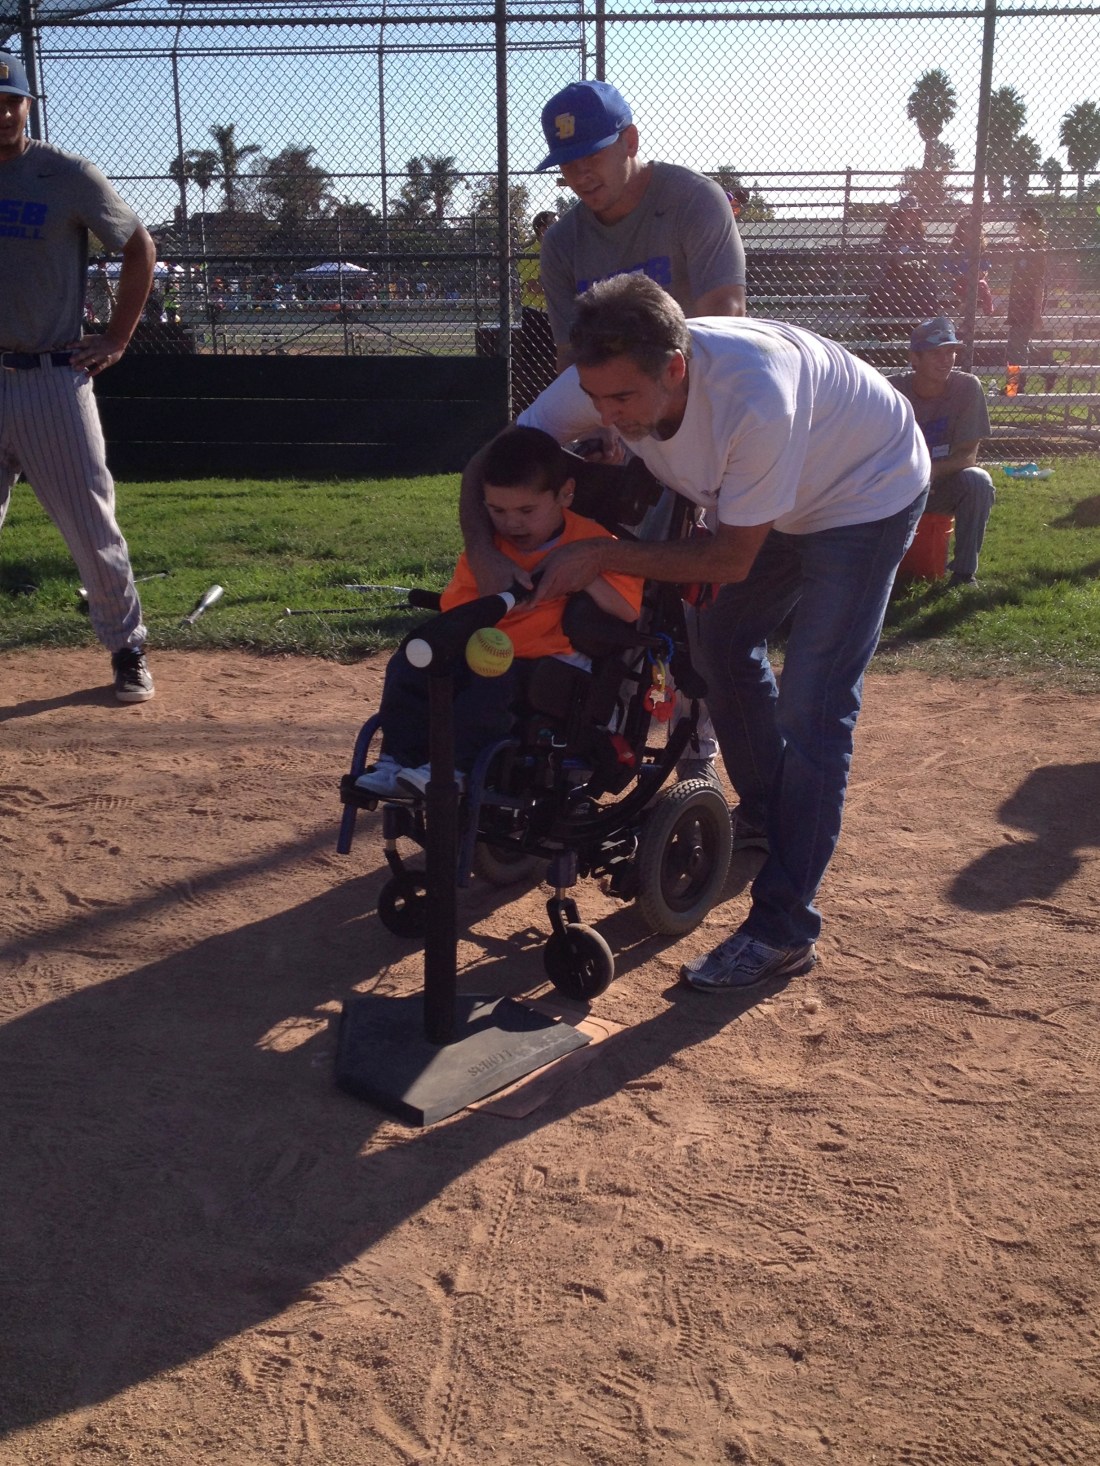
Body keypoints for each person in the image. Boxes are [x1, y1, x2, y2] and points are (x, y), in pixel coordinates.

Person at [460, 274, 930, 991]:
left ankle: (783, 929)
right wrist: (488, 552)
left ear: (675, 368)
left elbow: (730, 556)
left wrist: (602, 554)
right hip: (766, 499)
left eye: (622, 400)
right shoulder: (602, 380)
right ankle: (770, 815)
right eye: (596, 398)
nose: (605, 414)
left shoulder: (753, 398)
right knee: (715, 649)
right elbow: (488, 462)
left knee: (815, 707)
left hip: (863, 495)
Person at [356, 426, 643, 799]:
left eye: (526, 510)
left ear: (565, 494)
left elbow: (627, 611)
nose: (512, 523)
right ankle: (397, 761)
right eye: (497, 510)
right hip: (484, 649)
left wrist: (584, 577)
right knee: (408, 666)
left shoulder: (596, 545)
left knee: (490, 682)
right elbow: (456, 610)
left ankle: (455, 769)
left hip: (549, 660)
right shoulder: (488, 551)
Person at [0, 51, 157, 702]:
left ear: (26, 104)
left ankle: (127, 649)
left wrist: (118, 337)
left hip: (50, 377)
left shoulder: (62, 174)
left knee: (90, 527)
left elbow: (138, 245)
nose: (2, 112)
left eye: (10, 99)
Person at [534, 80, 746, 374]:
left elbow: (727, 322)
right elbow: (571, 358)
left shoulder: (693, 199)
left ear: (630, 141)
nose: (581, 176)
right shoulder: (560, 243)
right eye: (568, 163)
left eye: (592, 155)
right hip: (614, 407)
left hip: (702, 386)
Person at [888, 317, 994, 588]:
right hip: (895, 484)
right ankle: (873, 571)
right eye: (936, 352)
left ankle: (963, 574)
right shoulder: (892, 390)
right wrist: (908, 478)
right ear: (915, 357)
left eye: (951, 351)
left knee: (978, 480)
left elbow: (967, 455)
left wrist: (930, 473)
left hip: (942, 482)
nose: (946, 359)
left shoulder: (967, 387)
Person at [515, 210, 559, 412]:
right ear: (543, 229)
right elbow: (533, 287)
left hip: (556, 312)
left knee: (557, 361)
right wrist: (558, 280)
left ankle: (557, 406)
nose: (558, 226)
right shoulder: (528, 253)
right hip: (535, 314)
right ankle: (534, 407)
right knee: (534, 363)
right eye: (553, 223)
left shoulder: (561, 251)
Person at [1005, 206, 1048, 385]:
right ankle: (1050, 368)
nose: (1018, 226)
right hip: (1017, 305)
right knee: (1019, 345)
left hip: (1027, 307)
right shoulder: (1024, 248)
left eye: (1022, 223)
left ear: (1031, 226)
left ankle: (1015, 387)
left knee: (1016, 348)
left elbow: (1039, 284)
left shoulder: (1037, 250)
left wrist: (1037, 313)